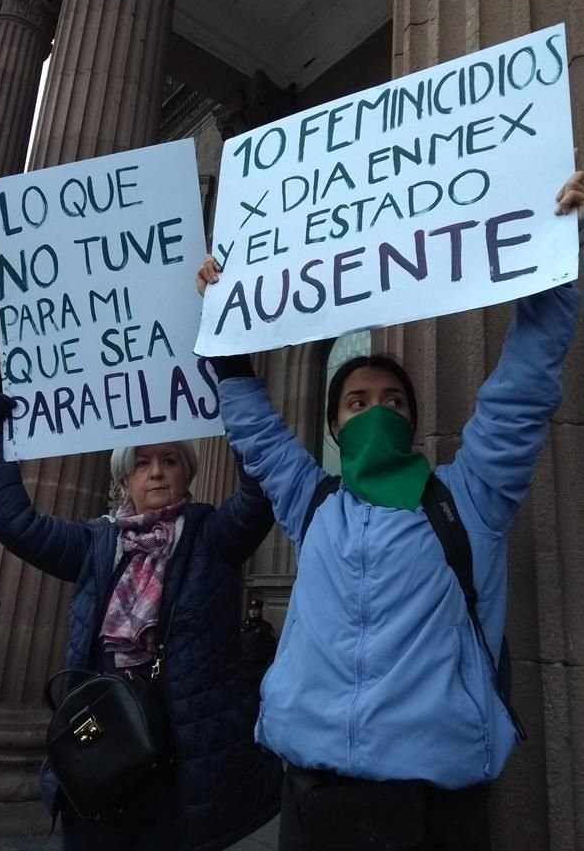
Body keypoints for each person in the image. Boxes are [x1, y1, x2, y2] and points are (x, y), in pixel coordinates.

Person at [195, 172, 584, 851]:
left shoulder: (469, 497)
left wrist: (557, 244)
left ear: (414, 419)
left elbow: (522, 387)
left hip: (434, 804)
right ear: (336, 430)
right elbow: (254, 426)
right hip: (312, 793)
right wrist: (222, 322)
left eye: (394, 401)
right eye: (356, 401)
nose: (377, 409)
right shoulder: (312, 501)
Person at [0, 403, 282, 851]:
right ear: (125, 480)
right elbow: (18, 525)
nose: (156, 472)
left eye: (169, 460)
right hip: (99, 750)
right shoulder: (95, 544)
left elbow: (258, 496)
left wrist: (234, 398)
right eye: (142, 463)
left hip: (176, 767)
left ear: (188, 475)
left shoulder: (213, 538)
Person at [240, 597, 277, 678]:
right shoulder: (243, 625)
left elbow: (271, 646)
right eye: (251, 609)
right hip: (242, 662)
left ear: (260, 611)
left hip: (257, 665)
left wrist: (260, 658)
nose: (253, 611)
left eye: (256, 609)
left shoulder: (265, 627)